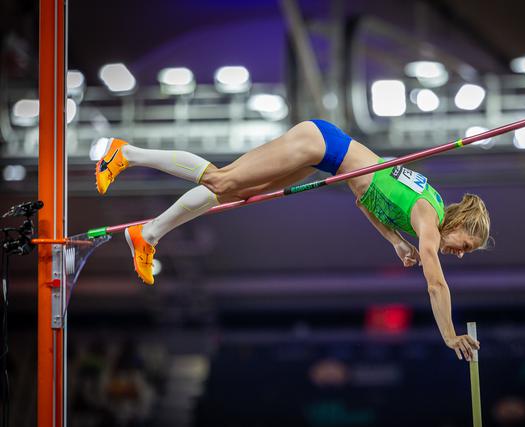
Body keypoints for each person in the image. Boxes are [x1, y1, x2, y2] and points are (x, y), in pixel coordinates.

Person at [95, 120, 489, 360]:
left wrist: (393, 242)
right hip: (320, 143)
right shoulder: (426, 216)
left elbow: (362, 196)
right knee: (222, 179)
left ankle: (147, 234)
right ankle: (125, 152)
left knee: (232, 193)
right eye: (465, 246)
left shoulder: (426, 208)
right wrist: (449, 335)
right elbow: (435, 283)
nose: (458, 253)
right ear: (463, 224)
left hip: (323, 156)